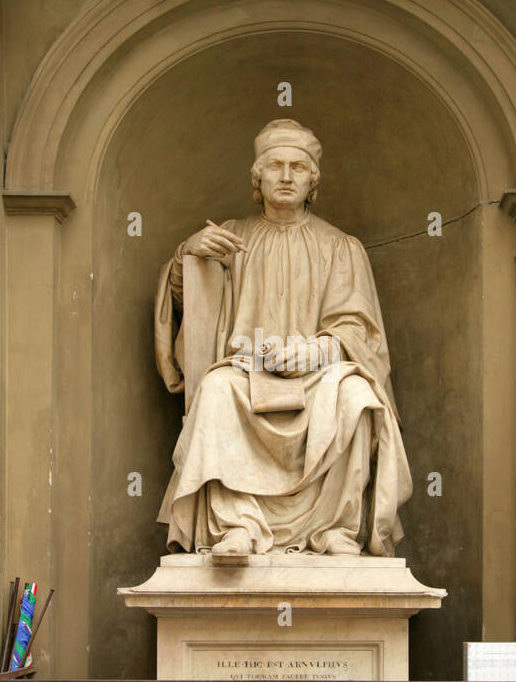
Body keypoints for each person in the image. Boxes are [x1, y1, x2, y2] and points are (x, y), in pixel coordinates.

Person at [153, 119, 412, 558]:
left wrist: (316, 350)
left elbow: (359, 329)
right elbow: (186, 302)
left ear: (314, 179)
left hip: (319, 375)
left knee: (356, 397)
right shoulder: (231, 238)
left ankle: (335, 529)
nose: (287, 176)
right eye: (275, 166)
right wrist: (188, 256)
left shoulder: (340, 246)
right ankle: (238, 526)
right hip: (248, 373)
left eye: (298, 167)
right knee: (216, 390)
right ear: (258, 177)